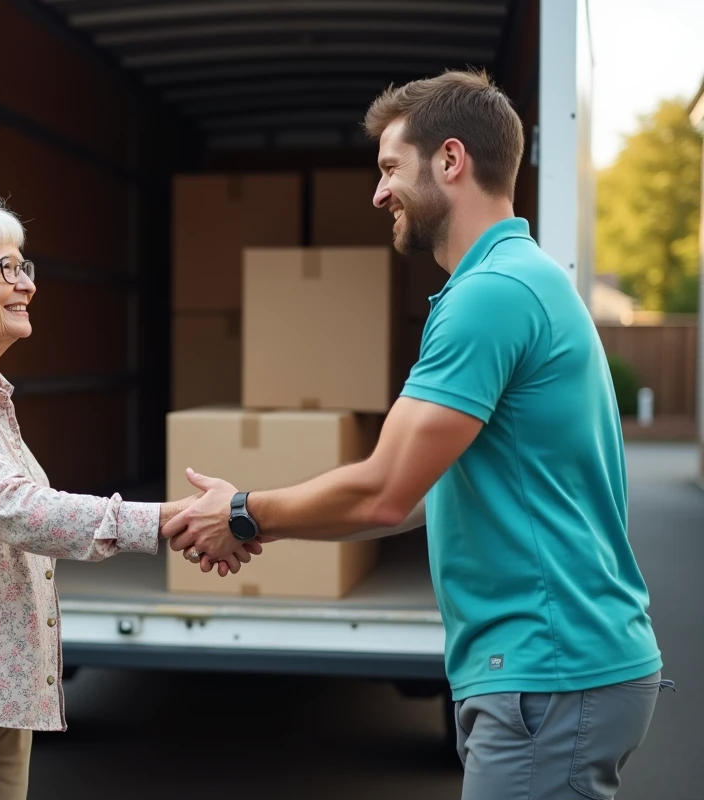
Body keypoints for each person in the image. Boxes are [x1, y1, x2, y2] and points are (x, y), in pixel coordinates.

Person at [162, 70, 668, 800]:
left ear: (452, 160)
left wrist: (242, 512)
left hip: (549, 669)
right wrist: (267, 521)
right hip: (556, 669)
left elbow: (383, 492)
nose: (378, 193)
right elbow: (415, 497)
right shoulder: (519, 281)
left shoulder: (490, 297)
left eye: (391, 168)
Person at [0, 198, 261, 800]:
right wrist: (171, 519)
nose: (27, 286)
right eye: (6, 270)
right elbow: (19, 510)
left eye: (25, 268)